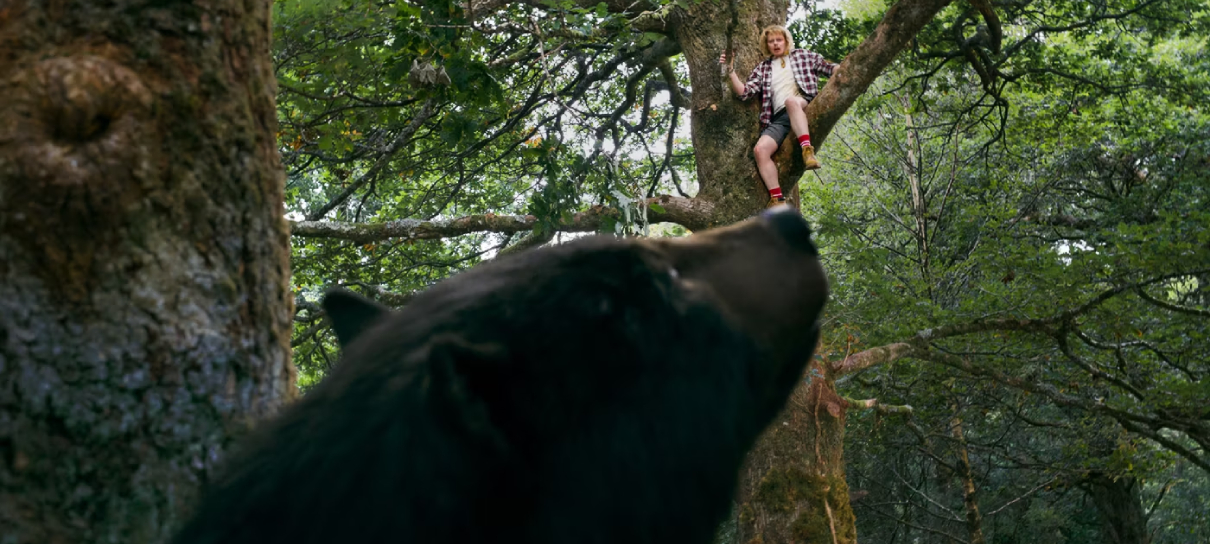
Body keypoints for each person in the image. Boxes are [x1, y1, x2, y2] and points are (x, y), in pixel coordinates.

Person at [720, 25, 840, 207]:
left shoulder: (802, 55)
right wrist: (729, 70)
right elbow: (745, 92)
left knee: (791, 102)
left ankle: (807, 150)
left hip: (803, 103)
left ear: (785, 41)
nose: (775, 44)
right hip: (779, 118)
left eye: (779, 40)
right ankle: (777, 198)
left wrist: (848, 66)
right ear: (766, 45)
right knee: (760, 150)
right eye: (771, 41)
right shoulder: (763, 68)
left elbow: (829, 68)